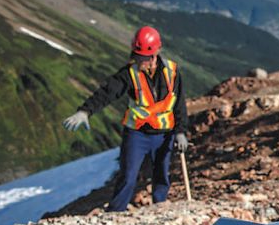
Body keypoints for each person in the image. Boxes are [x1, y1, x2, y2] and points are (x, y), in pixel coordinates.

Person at [63, 26, 189, 212]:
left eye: (142, 57)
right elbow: (107, 93)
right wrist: (85, 111)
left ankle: (160, 208)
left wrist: (180, 132)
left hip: (164, 135)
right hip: (137, 135)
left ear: (154, 55)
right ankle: (115, 212)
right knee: (128, 175)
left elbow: (179, 104)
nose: (138, 60)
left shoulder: (172, 72)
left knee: (161, 174)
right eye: (136, 56)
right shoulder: (129, 74)